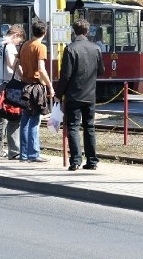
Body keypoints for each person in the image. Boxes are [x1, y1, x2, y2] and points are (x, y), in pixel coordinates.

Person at [56, 18, 105, 171]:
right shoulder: (96, 48)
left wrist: (59, 93)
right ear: (88, 31)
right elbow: (101, 71)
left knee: (73, 127)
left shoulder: (70, 49)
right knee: (90, 127)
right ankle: (92, 161)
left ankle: (75, 161)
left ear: (74, 31)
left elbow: (65, 75)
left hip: (73, 95)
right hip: (90, 95)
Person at [18, 20, 55, 163]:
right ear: (44, 32)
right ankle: (33, 154)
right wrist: (50, 85)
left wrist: (24, 77)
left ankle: (23, 154)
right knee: (34, 120)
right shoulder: (40, 47)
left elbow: (17, 65)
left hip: (25, 86)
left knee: (25, 120)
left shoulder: (24, 45)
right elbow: (41, 69)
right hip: (36, 88)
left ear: (32, 31)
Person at [0, 24, 25, 160]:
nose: (19, 44)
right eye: (19, 41)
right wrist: (23, 76)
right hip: (9, 85)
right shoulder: (9, 46)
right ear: (15, 35)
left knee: (0, 118)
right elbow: (12, 64)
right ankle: (14, 151)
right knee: (14, 118)